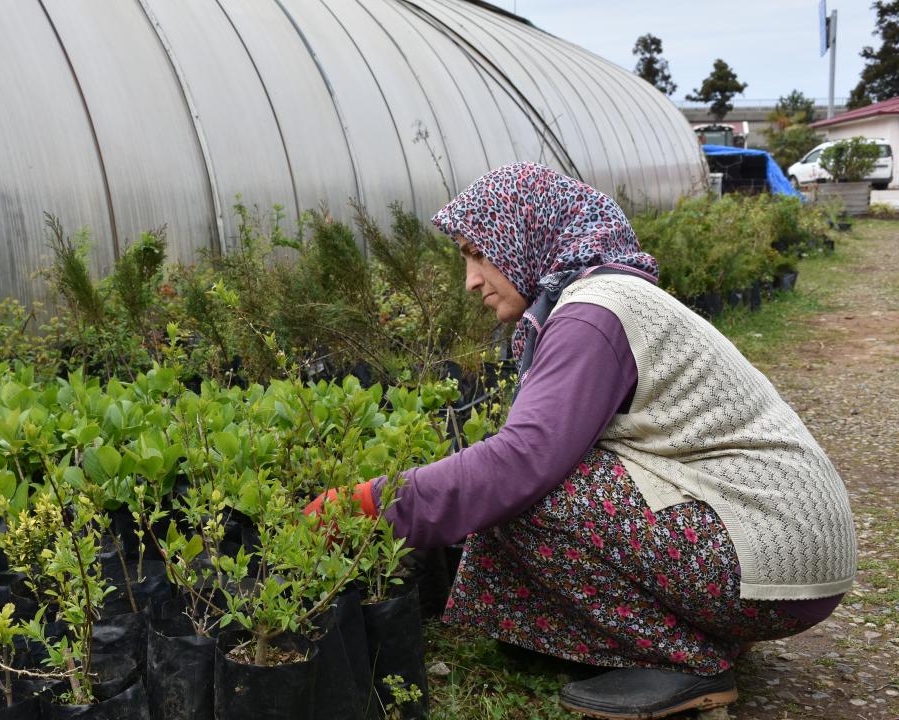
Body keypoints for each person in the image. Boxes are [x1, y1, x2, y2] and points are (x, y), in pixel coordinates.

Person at [304, 163, 856, 719]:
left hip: (777, 554)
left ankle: (689, 660)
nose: (470, 279)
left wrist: (369, 504)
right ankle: (706, 630)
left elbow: (521, 462)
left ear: (524, 234)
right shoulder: (599, 300)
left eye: (477, 252)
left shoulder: (592, 313)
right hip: (785, 548)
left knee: (534, 491)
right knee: (537, 481)